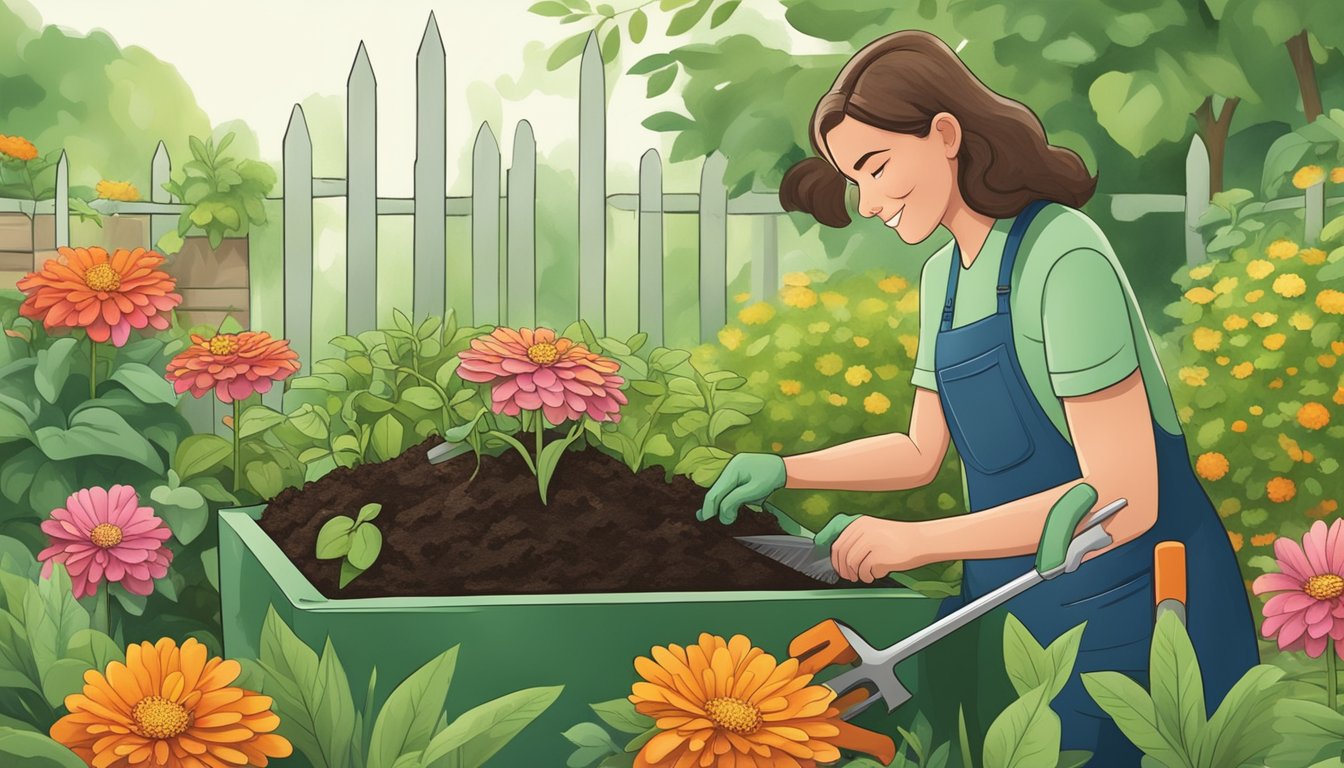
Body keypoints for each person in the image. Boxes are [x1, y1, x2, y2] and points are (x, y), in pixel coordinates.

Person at [696, 29, 1259, 765]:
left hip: (1135, 606)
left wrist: (915, 541)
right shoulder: (946, 278)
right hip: (1008, 602)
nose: (866, 203)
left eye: (875, 167)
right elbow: (919, 452)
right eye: (851, 180)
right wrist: (786, 469)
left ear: (945, 134)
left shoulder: (1064, 255)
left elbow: (1125, 497)